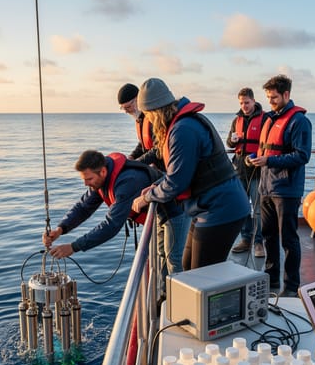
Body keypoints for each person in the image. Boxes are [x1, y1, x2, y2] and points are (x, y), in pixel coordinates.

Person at [131, 77, 249, 270]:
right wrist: (157, 185)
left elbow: (177, 182)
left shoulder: (183, 130)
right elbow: (182, 171)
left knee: (201, 277)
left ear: (154, 112)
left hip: (222, 209)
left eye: (148, 116)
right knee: (187, 268)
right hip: (207, 208)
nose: (149, 121)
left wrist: (147, 197)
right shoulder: (181, 125)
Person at [43, 149, 180, 260]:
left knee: (171, 258)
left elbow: (112, 225)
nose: (86, 184)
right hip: (156, 217)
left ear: (102, 171)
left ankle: (170, 293)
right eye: (84, 179)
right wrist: (60, 229)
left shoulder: (128, 182)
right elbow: (83, 207)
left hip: (175, 212)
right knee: (159, 257)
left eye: (89, 179)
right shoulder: (101, 178)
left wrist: (73, 247)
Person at [117, 82, 190, 279]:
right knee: (160, 249)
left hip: (168, 180)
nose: (128, 111)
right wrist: (129, 160)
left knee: (173, 254)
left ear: (138, 101)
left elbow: (157, 148)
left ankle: (176, 293)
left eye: (129, 106)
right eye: (124, 109)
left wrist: (136, 165)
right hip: (158, 183)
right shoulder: (140, 121)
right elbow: (143, 146)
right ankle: (165, 291)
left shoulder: (156, 120)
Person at [248, 74, 311, 296]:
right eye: (268, 97)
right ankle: (271, 278)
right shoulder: (270, 118)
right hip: (266, 187)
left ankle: (292, 286)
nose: (270, 102)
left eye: (274, 97)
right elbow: (268, 148)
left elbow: (302, 156)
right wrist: (255, 157)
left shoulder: (299, 121)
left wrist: (270, 160)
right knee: (268, 236)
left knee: (289, 239)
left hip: (286, 190)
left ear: (286, 94)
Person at [227, 87, 267, 259]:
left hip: (257, 171)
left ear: (253, 100)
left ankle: (258, 242)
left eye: (247, 102)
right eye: (241, 103)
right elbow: (229, 143)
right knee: (242, 207)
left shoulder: (265, 119)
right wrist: (232, 140)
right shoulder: (236, 120)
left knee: (258, 209)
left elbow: (268, 143)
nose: (244, 106)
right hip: (239, 170)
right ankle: (245, 239)